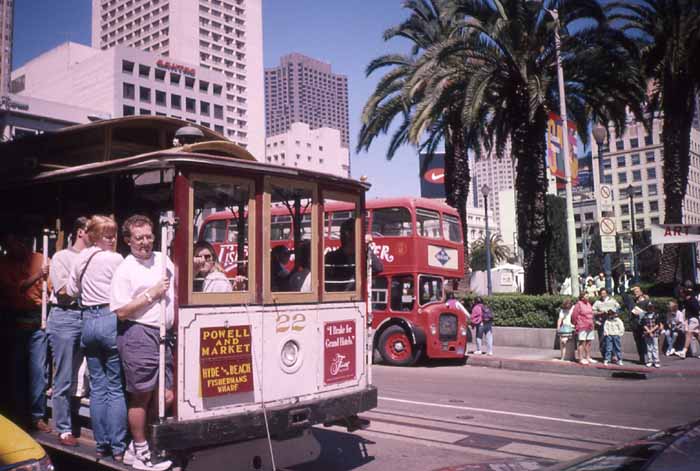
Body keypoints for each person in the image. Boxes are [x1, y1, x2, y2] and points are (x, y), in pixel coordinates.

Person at [110, 215, 173, 471]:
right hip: (138, 334)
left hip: (164, 336)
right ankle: (141, 452)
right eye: (139, 238)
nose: (145, 242)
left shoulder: (162, 258)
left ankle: (136, 447)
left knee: (166, 396)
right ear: (128, 240)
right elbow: (121, 311)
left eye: (148, 236)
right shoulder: (125, 269)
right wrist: (151, 294)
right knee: (142, 396)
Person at [66, 215, 127, 460]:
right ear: (95, 236)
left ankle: (102, 444)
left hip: (87, 321)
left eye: (113, 235)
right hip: (109, 317)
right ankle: (119, 447)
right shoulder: (116, 259)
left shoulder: (81, 257)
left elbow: (71, 291)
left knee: (98, 387)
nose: (112, 239)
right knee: (115, 387)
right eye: (106, 235)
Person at [0, 233, 51, 431]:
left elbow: (52, 289)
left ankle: (36, 415)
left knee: (38, 371)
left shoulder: (41, 258)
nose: (17, 246)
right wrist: (38, 276)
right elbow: (15, 289)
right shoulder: (4, 264)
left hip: (38, 321)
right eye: (12, 242)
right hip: (15, 320)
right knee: (17, 370)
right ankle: (16, 413)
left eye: (20, 241)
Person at [46, 216, 89, 446]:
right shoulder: (62, 257)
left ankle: (74, 421)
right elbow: (63, 291)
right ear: (81, 232)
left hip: (88, 316)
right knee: (63, 375)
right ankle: (62, 428)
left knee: (80, 375)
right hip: (66, 316)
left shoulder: (95, 257)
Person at [325, 219, 383, 292]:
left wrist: (365, 247)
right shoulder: (331, 258)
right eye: (360, 233)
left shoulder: (362, 257)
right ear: (348, 234)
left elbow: (378, 268)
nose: (362, 236)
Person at [592, 288, 620, 361]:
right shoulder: (597, 302)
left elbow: (618, 308)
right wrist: (600, 313)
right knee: (602, 339)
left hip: (611, 322)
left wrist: (612, 312)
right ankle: (605, 356)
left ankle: (614, 355)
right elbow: (592, 311)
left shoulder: (612, 300)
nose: (603, 295)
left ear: (606, 293)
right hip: (601, 322)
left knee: (612, 338)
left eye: (604, 293)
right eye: (601, 293)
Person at [625, 285, 649, 364]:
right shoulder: (632, 301)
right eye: (634, 292)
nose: (636, 293)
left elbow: (650, 312)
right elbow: (624, 294)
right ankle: (642, 359)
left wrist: (642, 313)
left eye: (637, 291)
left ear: (641, 292)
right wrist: (630, 289)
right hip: (635, 324)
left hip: (643, 324)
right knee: (638, 342)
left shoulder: (646, 301)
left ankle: (647, 359)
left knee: (644, 342)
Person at [571, 293, 596, 364]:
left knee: (588, 342)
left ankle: (588, 357)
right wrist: (576, 324)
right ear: (582, 297)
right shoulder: (578, 304)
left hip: (590, 325)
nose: (588, 297)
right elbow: (574, 315)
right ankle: (580, 358)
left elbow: (591, 314)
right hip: (582, 325)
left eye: (588, 296)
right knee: (581, 342)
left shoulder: (589, 304)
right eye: (586, 296)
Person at [676, 288, 700, 359]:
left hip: (694, 319)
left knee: (689, 333)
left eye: (682, 293)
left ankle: (684, 351)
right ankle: (684, 351)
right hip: (691, 319)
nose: (681, 294)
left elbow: (697, 309)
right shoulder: (686, 301)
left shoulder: (692, 300)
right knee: (697, 335)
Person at [641, 302, 661, 368]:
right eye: (649, 307)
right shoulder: (645, 316)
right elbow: (644, 325)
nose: (650, 308)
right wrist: (649, 332)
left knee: (655, 347)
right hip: (647, 333)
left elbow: (657, 325)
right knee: (649, 347)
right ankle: (650, 361)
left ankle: (656, 361)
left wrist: (651, 331)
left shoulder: (656, 315)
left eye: (651, 307)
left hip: (655, 333)